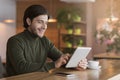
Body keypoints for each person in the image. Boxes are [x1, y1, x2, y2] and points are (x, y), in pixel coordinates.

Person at [6, 4, 88, 76]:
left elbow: (61, 59)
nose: (44, 26)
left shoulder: (44, 41)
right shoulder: (15, 41)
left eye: (46, 23)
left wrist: (75, 63)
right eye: (40, 22)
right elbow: (22, 68)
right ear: (29, 21)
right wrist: (54, 65)